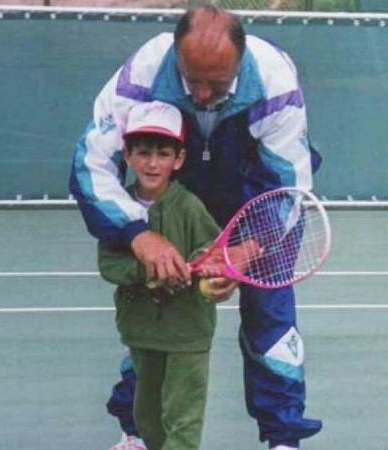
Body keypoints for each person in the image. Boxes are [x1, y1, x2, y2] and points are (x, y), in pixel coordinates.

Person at [70, 6, 322, 450]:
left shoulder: (274, 80)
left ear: (239, 64)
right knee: (155, 313)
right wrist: (139, 233)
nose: (203, 94)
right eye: (192, 80)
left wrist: (244, 251)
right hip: (177, 192)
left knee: (273, 321)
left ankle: (284, 441)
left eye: (217, 83)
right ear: (175, 54)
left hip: (254, 197)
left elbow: (288, 188)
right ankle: (137, 434)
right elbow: (91, 165)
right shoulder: (145, 72)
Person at [98, 100, 221, 450]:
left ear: (178, 159)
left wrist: (206, 268)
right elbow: (109, 263)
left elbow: (210, 252)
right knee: (148, 417)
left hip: (188, 332)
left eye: (163, 154)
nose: (153, 163)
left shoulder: (190, 207)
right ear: (128, 156)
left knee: (183, 419)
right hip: (142, 331)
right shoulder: (117, 208)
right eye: (143, 153)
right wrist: (148, 270)